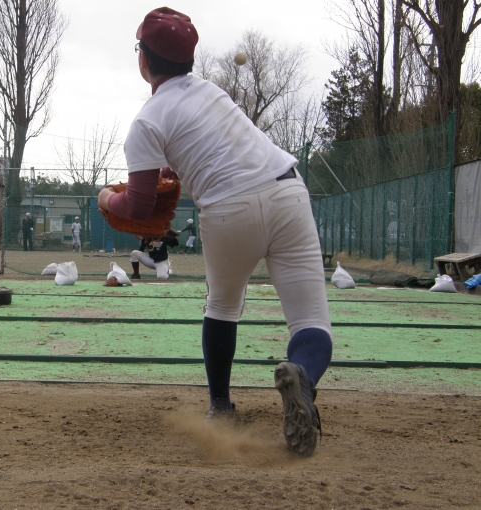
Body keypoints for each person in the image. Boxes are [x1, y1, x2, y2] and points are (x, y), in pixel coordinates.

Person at [97, 7, 333, 457]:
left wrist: (105, 198)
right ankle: (302, 373)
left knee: (222, 306)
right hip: (287, 192)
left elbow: (139, 206)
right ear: (190, 57)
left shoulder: (147, 120)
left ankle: (221, 409)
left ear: (143, 58)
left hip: (228, 209)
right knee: (311, 322)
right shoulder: (213, 92)